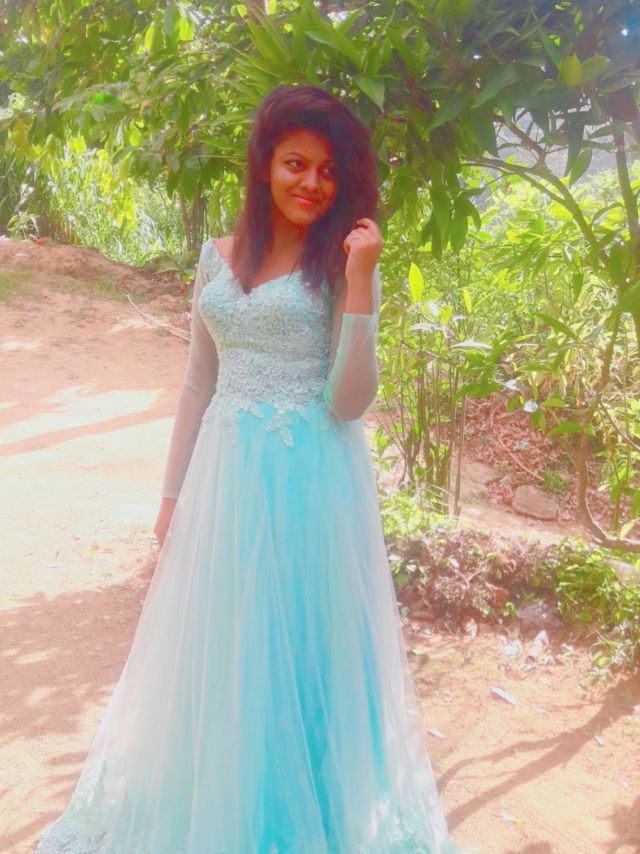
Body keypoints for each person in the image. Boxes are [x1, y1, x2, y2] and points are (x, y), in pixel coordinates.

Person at [35, 85, 462, 852]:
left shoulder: (341, 263)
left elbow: (350, 401)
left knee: (299, 650)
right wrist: (171, 496)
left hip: (309, 482)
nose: (312, 183)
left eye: (328, 170)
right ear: (265, 164)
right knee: (224, 649)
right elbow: (198, 382)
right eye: (296, 163)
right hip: (224, 481)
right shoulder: (217, 257)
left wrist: (362, 279)